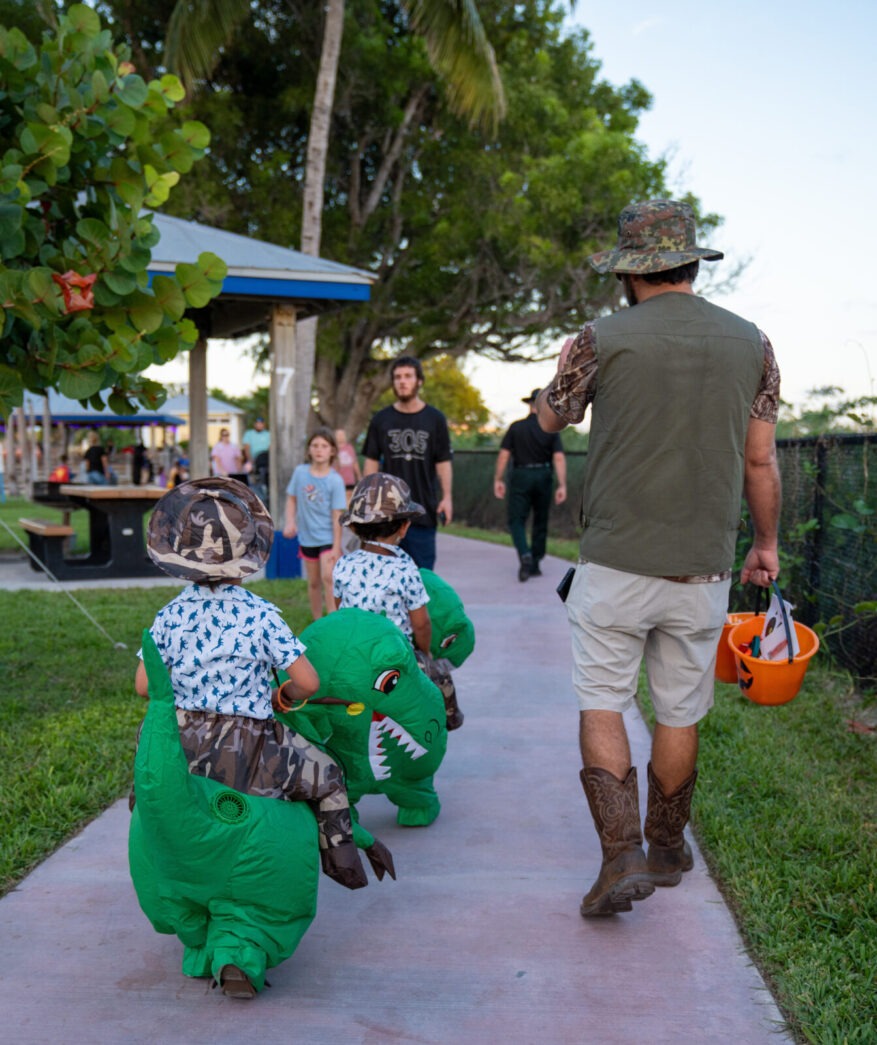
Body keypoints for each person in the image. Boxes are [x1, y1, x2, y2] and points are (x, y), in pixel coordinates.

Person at [536, 199, 782, 918]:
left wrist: (559, 372)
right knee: (679, 708)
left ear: (628, 272)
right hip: (701, 566)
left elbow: (551, 417)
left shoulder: (598, 338)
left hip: (614, 561)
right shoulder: (752, 343)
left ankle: (619, 856)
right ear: (687, 263)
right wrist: (763, 544)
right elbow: (759, 460)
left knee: (603, 699)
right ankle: (667, 843)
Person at [134, 477, 368, 994]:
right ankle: (341, 853)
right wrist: (284, 694)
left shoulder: (169, 616)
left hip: (184, 744)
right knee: (328, 775)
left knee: (149, 790)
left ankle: (198, 939)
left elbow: (144, 685)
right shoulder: (260, 613)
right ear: (249, 555)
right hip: (252, 746)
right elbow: (308, 682)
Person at [333, 472, 464, 729]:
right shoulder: (405, 567)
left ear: (355, 526)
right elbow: (421, 624)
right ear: (404, 526)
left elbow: (340, 610)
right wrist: (424, 653)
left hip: (351, 654)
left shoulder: (343, 564)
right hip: (393, 658)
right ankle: (446, 721)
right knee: (440, 675)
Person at [362, 355, 453, 570]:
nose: (402, 381)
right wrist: (369, 500)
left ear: (419, 381)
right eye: (397, 377)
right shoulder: (381, 419)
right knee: (385, 578)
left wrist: (447, 498)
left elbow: (443, 462)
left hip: (422, 510)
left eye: (408, 377)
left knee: (422, 579)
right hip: (387, 514)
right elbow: (371, 462)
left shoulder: (435, 419)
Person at [494, 389, 567, 581]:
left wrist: (498, 479)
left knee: (516, 520)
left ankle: (524, 554)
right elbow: (558, 458)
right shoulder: (551, 429)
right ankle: (535, 563)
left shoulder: (516, 427)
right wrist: (562, 485)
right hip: (543, 475)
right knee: (540, 521)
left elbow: (504, 455)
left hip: (521, 474)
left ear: (530, 404)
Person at [283, 428, 346, 620]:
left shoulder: (335, 480)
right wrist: (290, 522)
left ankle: (333, 619)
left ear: (332, 451)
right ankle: (318, 620)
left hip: (327, 537)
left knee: (328, 577)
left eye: (324, 446)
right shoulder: (300, 473)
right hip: (307, 537)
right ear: (309, 449)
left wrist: (336, 547)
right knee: (314, 582)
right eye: (315, 446)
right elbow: (292, 499)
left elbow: (337, 515)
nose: (319, 450)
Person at [333, 428, 362, 500]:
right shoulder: (333, 448)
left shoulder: (349, 447)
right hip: (337, 479)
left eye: (342, 434)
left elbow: (355, 462)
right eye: (338, 434)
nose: (340, 436)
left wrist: (359, 476)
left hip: (349, 479)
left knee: (349, 497)